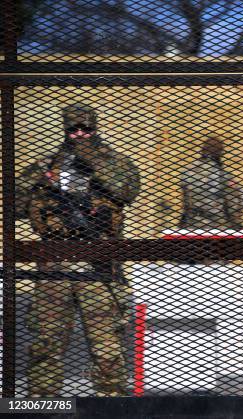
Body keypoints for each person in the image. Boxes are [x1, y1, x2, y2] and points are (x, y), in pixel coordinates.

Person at [16, 103, 141, 397]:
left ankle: (111, 406)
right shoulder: (48, 163)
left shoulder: (114, 161)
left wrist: (94, 165)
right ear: (65, 129)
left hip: (98, 266)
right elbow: (17, 206)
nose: (81, 134)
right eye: (74, 129)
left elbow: (129, 190)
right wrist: (41, 178)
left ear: (95, 128)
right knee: (45, 345)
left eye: (87, 128)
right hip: (54, 265)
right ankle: (44, 405)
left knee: (106, 347)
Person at [179, 136, 243, 231]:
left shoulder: (186, 173)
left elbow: (186, 203)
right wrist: (237, 225)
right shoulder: (223, 175)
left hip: (192, 227)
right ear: (219, 153)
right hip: (219, 228)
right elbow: (235, 203)